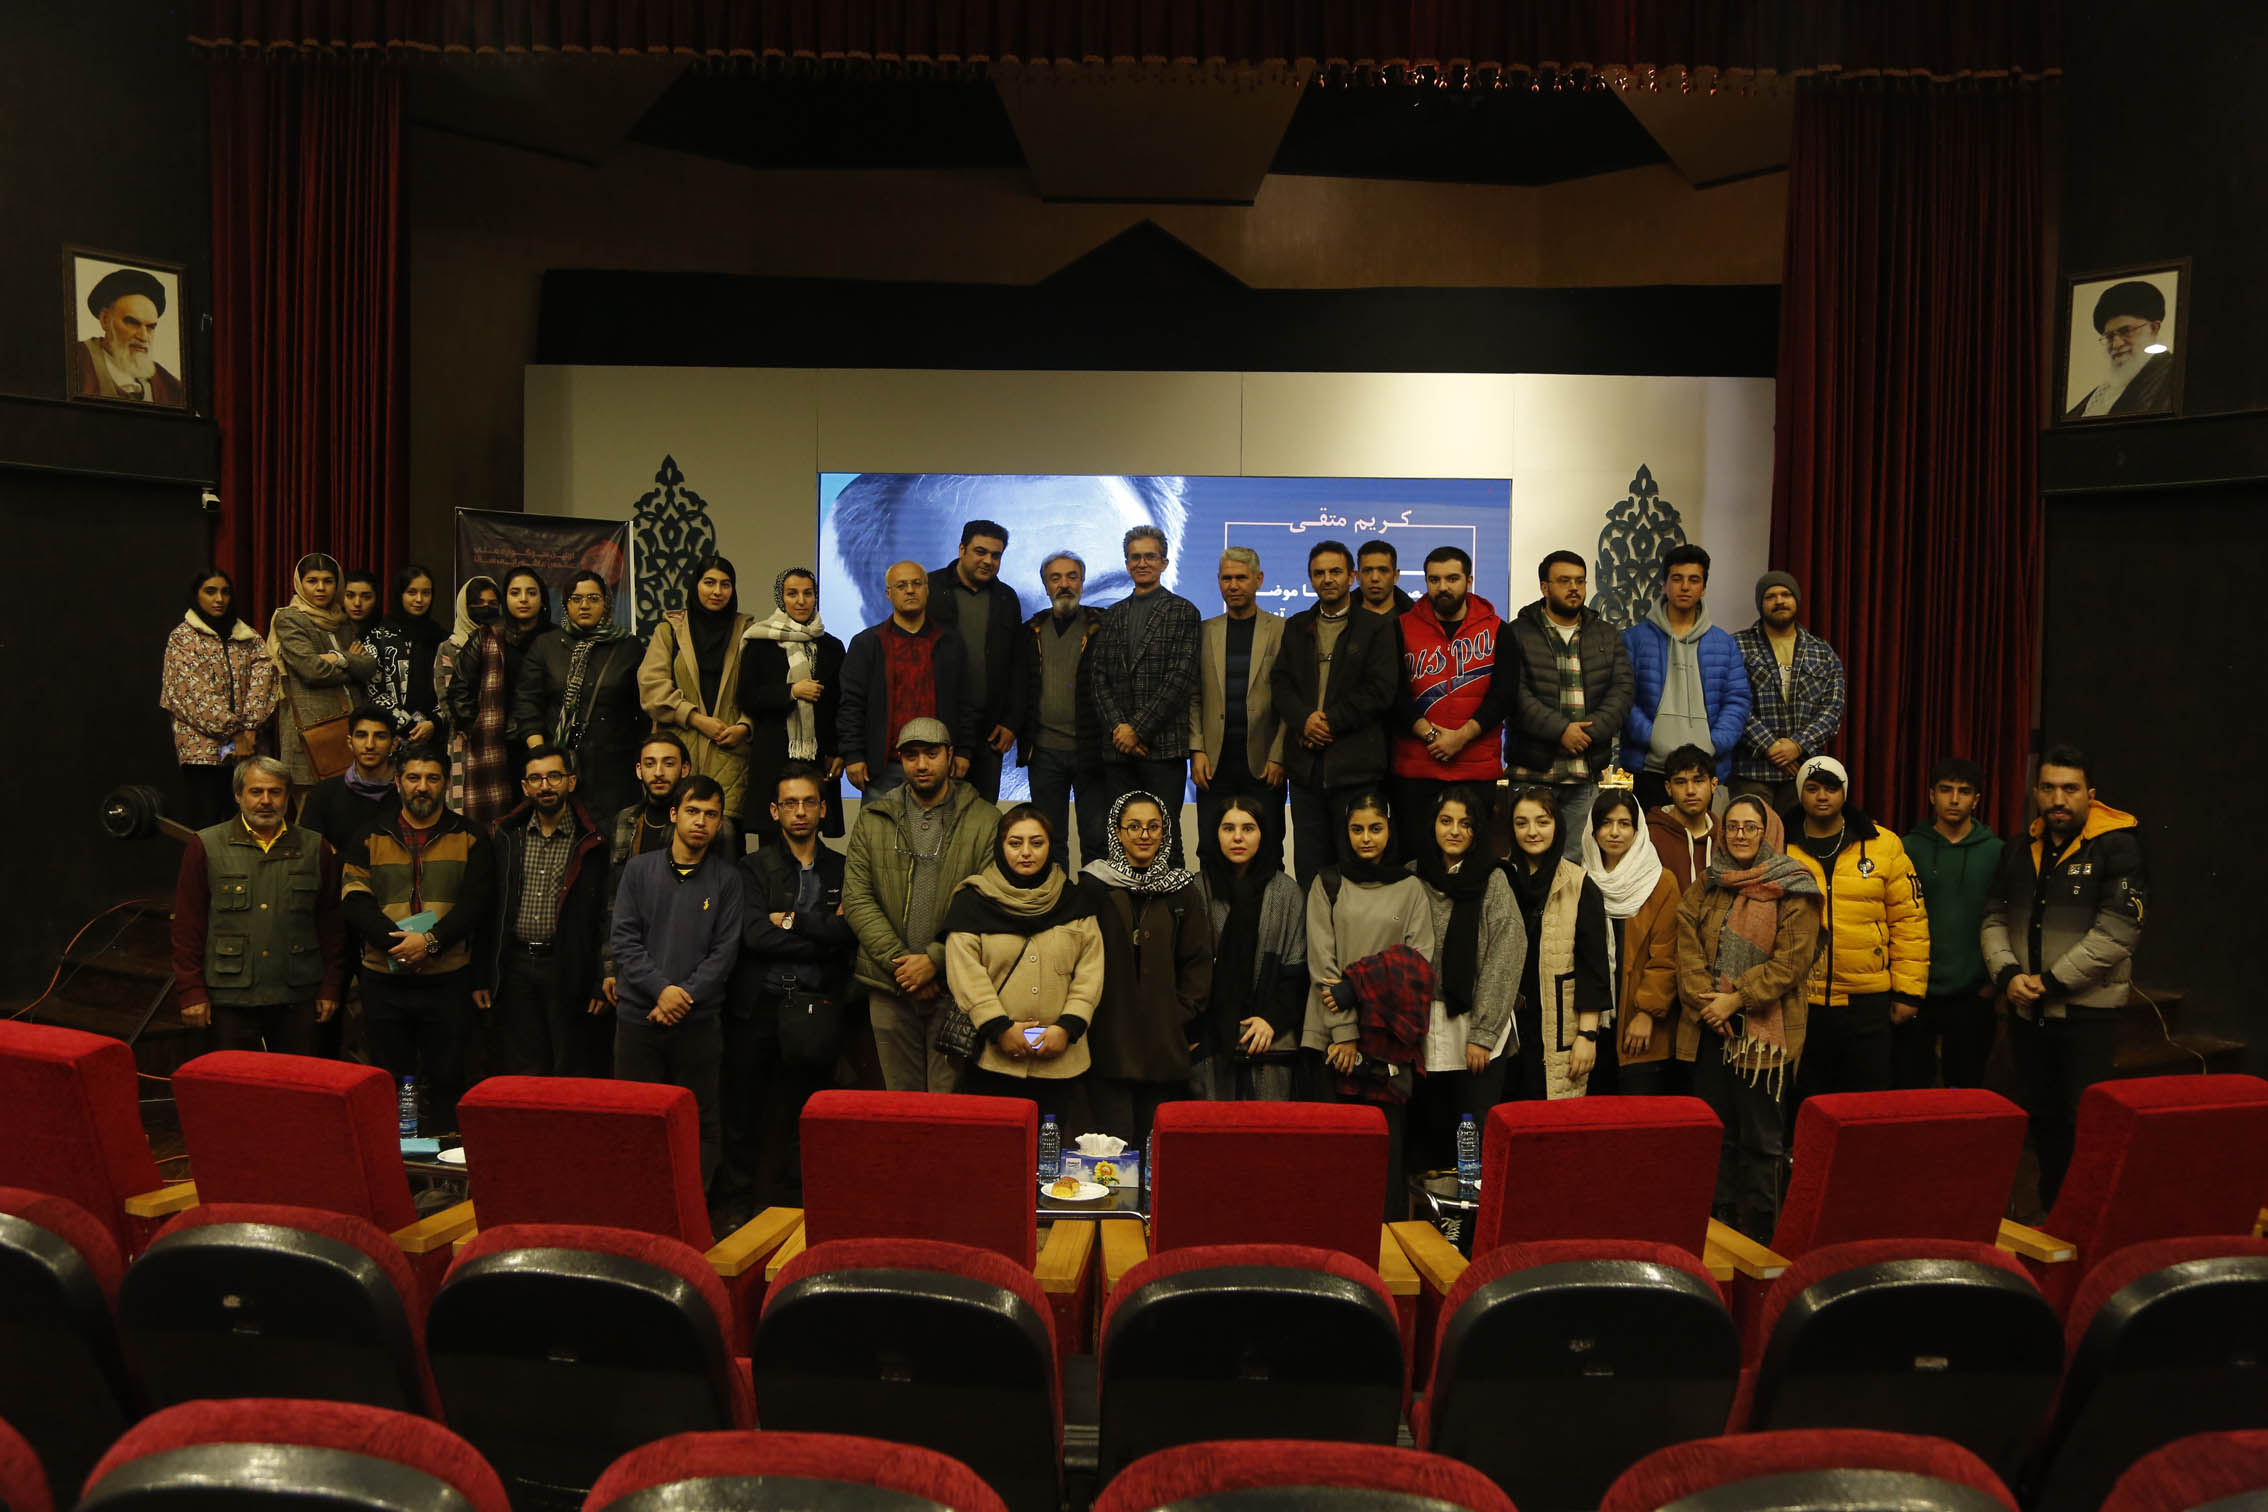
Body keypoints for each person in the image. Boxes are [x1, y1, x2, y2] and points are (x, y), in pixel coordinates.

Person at [1983, 744, 2146, 1208]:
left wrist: (2049, 982)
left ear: (2090, 794)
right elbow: (1994, 918)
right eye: (2049, 788)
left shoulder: (2119, 846)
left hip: (2087, 1015)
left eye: (2070, 789)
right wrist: (2009, 975)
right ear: (2036, 792)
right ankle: (2052, 1218)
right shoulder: (2018, 849)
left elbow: (2117, 933)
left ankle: (2086, 1221)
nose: (2058, 799)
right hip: (2027, 1011)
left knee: (2086, 1124)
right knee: (2043, 1122)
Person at [1675, 792, 1824, 1241]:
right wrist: (1710, 1005)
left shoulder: (1795, 885)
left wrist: (1735, 999)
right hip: (1709, 1030)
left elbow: (1791, 963)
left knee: (1762, 1145)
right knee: (1714, 1139)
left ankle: (1762, 1244)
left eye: (1751, 827)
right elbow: (1686, 942)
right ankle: (1718, 1238)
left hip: (1765, 1035)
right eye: (1733, 827)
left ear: (1768, 831)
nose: (1740, 835)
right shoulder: (1709, 882)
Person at [719, 763, 857, 1224]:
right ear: (775, 811)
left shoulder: (842, 868)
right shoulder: (752, 866)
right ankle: (738, 1207)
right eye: (790, 803)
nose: (800, 811)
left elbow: (848, 935)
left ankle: (801, 1211)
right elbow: (755, 935)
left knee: (809, 1115)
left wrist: (793, 921)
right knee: (745, 1113)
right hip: (759, 1003)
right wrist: (822, 935)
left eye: (809, 802)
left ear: (823, 809)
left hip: (817, 1007)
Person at [339, 744, 495, 1135]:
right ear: (398, 782)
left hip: (447, 979)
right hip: (384, 979)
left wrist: (430, 943)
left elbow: (475, 904)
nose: (422, 786)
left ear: (445, 783)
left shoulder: (471, 837)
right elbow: (354, 900)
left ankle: (445, 1157)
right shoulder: (368, 836)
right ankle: (400, 1155)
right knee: (393, 1080)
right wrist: (398, 944)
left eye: (432, 778)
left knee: (448, 1076)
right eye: (413, 778)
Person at [842, 718, 1000, 1092]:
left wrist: (935, 961)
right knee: (901, 1106)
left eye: (931, 754)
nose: (922, 764)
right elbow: (857, 898)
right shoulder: (873, 818)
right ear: (900, 759)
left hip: (956, 987)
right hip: (889, 985)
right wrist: (904, 966)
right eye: (912, 755)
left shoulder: (986, 820)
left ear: (950, 755)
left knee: (948, 1109)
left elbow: (990, 902)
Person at [1302, 790, 1434, 1207]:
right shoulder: (1327, 883)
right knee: (1333, 1161)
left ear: (1389, 831)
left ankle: (1388, 1243)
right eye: (1357, 829)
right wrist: (1345, 1033)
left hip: (1388, 1042)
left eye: (1375, 829)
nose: (1366, 838)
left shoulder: (1411, 888)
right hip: (1330, 1041)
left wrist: (1358, 989)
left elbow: (1417, 965)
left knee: (1385, 1161)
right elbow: (1322, 965)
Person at [610, 774, 743, 1186]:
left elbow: (724, 953)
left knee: (700, 1123)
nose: (700, 821)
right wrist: (662, 991)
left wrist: (681, 996)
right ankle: (639, 1208)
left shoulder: (728, 880)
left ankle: (693, 1210)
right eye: (692, 811)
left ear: (719, 823)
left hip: (697, 1022)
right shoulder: (638, 870)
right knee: (634, 1121)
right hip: (639, 1019)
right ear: (674, 814)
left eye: (711, 814)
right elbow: (624, 940)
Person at [169, 756, 346, 1053]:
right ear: (238, 795)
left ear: (287, 797)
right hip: (228, 997)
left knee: (296, 1078)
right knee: (233, 1080)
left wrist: (330, 987)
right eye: (256, 792)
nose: (266, 801)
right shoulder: (206, 846)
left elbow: (331, 923)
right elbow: (188, 925)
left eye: (275, 792)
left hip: (298, 995)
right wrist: (191, 992)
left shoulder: (315, 847)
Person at [943, 805, 1105, 1127]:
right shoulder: (973, 902)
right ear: (1000, 846)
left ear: (1050, 846)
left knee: (1050, 1152)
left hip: (1061, 1059)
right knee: (995, 1149)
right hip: (993, 1060)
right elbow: (965, 974)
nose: (1026, 852)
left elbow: (1090, 971)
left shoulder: (1074, 901)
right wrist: (998, 1028)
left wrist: (1067, 1027)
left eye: (1037, 842)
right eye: (1015, 843)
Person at [1783, 756, 1929, 1099]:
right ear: (1799, 793)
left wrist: (1908, 993)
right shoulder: (1779, 845)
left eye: (1831, 788)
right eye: (1813, 788)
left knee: (1866, 1103)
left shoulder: (1884, 845)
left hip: (1867, 1001)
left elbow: (1909, 920)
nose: (1822, 796)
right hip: (1800, 999)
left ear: (1844, 792)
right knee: (1806, 1103)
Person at [1080, 790, 1211, 1151]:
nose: (1144, 835)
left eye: (1153, 827)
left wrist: (1178, 1015)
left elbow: (1197, 962)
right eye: (1134, 826)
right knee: (1111, 1159)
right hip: (1108, 1043)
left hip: (1164, 1048)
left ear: (1165, 833)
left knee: (1160, 1155)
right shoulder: (1093, 886)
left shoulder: (1182, 890)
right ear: (1117, 832)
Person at [1407, 786, 1523, 1171]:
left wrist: (1483, 1034)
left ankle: (1473, 1207)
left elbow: (1506, 954)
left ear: (1477, 831)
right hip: (1423, 1027)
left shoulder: (1493, 880)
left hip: (1476, 1026)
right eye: (1446, 821)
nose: (1455, 831)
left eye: (1466, 823)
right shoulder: (1411, 877)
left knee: (1473, 1140)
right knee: (1428, 1136)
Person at [1272, 541, 1399, 888]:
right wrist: (1304, 720)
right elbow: (1280, 683)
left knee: (1357, 868)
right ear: (1311, 579)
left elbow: (1381, 690)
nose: (1327, 579)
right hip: (1305, 772)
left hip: (1355, 770)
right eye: (1319, 573)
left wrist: (1328, 722)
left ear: (1351, 577)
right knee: (1310, 871)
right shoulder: (1297, 626)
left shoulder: (1376, 627)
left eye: (1335, 572)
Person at [484, 745, 610, 1078]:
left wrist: (601, 979)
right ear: (525, 787)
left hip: (567, 965)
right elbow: (490, 908)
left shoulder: (593, 839)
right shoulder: (507, 836)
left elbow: (605, 916)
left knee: (571, 1067)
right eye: (536, 779)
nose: (545, 786)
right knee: (523, 1069)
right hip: (517, 967)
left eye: (554, 776)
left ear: (571, 781)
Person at [1506, 551, 1635, 860]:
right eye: (1564, 581)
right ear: (1544, 587)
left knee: (1575, 863)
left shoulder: (1606, 634)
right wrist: (1561, 730)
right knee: (1526, 860)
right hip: (1531, 772)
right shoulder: (1516, 633)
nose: (1574, 588)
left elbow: (1622, 691)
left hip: (1583, 772)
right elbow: (1514, 695)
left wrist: (1585, 734)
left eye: (1580, 581)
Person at [1090, 526, 1203, 867]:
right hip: (1118, 751)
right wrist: (1120, 730)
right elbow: (1098, 678)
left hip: (1163, 749)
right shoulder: (1111, 615)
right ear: (1127, 563)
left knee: (1166, 839)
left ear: (1164, 562)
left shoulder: (1183, 611)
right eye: (1135, 557)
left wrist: (1137, 730)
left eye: (1150, 556)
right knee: (1120, 842)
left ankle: (1174, 900)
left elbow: (1179, 679)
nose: (1142, 563)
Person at [601, 732, 737, 1008]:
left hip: (692, 978)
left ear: (685, 768)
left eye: (669, 763)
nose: (659, 772)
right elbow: (614, 900)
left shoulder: (709, 825)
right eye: (650, 763)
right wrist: (609, 965)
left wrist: (681, 994)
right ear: (639, 770)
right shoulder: (626, 820)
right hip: (634, 968)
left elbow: (723, 907)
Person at [1188, 796, 1307, 1102]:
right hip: (1209, 1044)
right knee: (1212, 1129)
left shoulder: (1287, 893)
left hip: (1269, 1042)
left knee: (1267, 1131)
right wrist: (1195, 1032)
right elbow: (1187, 971)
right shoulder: (1196, 891)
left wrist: (1271, 1020)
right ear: (1215, 834)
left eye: (1248, 828)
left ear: (1263, 834)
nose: (1238, 837)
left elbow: (1296, 973)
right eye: (1228, 828)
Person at [1897, 758, 2006, 1090]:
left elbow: (2007, 920)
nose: (1954, 799)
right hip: (1916, 991)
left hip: (1973, 993)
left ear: (1977, 799)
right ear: (1932, 795)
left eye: (1964, 791)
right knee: (1912, 1086)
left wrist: (1991, 985)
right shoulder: (1906, 848)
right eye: (1946, 790)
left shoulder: (1997, 852)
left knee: (1966, 1088)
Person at [1500, 787, 1611, 1100]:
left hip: (1556, 1026)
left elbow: (1593, 969)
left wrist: (1587, 1035)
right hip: (1506, 1026)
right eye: (1521, 823)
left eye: (1542, 821)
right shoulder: (1499, 878)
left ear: (1557, 826)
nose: (1532, 831)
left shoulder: (1579, 884)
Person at [1620, 545, 1751, 809]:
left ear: (1703, 588)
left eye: (1694, 580)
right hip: (1650, 768)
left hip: (1704, 769)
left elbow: (1737, 700)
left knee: (1702, 836)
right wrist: (1652, 737)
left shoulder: (1723, 643)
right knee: (1651, 835)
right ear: (1664, 585)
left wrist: (1714, 743)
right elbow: (1622, 697)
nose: (1685, 587)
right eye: (1677, 579)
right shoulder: (1635, 639)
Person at [513, 571, 643, 825]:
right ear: (566, 604)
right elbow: (527, 703)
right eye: (576, 599)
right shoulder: (546, 646)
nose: (584, 605)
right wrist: (542, 756)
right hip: (558, 770)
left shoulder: (628, 647)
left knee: (610, 836)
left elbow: (643, 709)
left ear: (606, 603)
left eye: (593, 598)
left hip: (614, 768)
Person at [1392, 546, 1508, 829]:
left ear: (1469, 580)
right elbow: (1392, 693)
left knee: (1472, 850)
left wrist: (1461, 737)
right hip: (1417, 769)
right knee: (1415, 852)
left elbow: (1504, 696)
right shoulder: (1401, 627)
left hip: (1476, 769)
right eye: (1434, 579)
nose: (1443, 587)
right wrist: (1431, 735)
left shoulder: (1498, 630)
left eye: (1452, 578)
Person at [837, 560, 975, 797]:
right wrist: (853, 755)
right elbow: (851, 704)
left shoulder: (950, 643)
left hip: (939, 765)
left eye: (916, 583)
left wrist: (964, 751)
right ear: (888, 594)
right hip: (883, 767)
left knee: (940, 823)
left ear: (927, 590)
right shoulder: (867, 644)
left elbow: (966, 701)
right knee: (880, 823)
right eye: (901, 585)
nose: (910, 590)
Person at [1583, 784, 1684, 1096]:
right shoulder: (1578, 879)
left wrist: (1647, 1013)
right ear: (1592, 829)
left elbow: (1667, 957)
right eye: (1606, 823)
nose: (1614, 832)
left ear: (1637, 830)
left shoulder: (1661, 881)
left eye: (1624, 824)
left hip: (1642, 1024)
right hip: (1589, 1025)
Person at [161, 567, 279, 829]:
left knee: (251, 822)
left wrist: (250, 729)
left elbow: (264, 679)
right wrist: (234, 732)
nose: (219, 599)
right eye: (210, 592)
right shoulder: (183, 638)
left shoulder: (248, 637)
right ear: (196, 596)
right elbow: (192, 694)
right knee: (207, 825)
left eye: (225, 592)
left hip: (249, 747)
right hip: (203, 751)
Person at [1190, 547, 1287, 866]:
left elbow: (1291, 700)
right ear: (1218, 581)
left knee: (1268, 851)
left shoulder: (1282, 630)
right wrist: (1197, 749)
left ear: (1259, 580)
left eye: (1241, 578)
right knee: (1210, 850)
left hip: (1264, 764)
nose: (1233, 585)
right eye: (1227, 578)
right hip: (1214, 764)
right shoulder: (1205, 631)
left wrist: (1279, 754)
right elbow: (1193, 695)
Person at [641, 554, 755, 822]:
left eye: (725, 584)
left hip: (730, 759)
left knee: (724, 838)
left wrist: (745, 726)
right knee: (676, 836)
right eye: (709, 582)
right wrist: (695, 718)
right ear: (695, 585)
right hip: (678, 758)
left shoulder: (748, 633)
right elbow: (651, 689)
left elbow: (760, 690)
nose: (717, 591)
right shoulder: (669, 631)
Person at [738, 568, 846, 846]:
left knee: (811, 839)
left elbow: (839, 704)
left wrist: (838, 751)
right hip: (773, 754)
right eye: (792, 593)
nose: (801, 601)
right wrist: (790, 692)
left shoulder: (832, 647)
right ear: (780, 597)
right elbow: (746, 697)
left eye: (808, 593)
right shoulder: (761, 642)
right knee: (772, 843)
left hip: (816, 757)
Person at [1015, 550, 1108, 867]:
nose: (1064, 584)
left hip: (1091, 751)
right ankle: (1056, 898)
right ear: (1046, 586)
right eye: (1056, 578)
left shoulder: (1103, 627)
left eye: (1072, 577)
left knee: (1096, 840)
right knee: (1049, 841)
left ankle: (1094, 898)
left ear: (1082, 582)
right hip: (1044, 752)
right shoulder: (1031, 631)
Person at [1730, 571, 1845, 815]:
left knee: (1798, 836)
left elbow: (1832, 710)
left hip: (1803, 772)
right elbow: (1731, 703)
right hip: (1751, 770)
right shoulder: (1736, 646)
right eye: (1770, 596)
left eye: (1786, 594)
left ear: (1797, 600)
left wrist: (1797, 745)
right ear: (1760, 603)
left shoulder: (1822, 651)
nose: (1779, 601)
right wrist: (1769, 745)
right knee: (1751, 834)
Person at [926, 520, 1026, 802]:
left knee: (982, 816)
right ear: (962, 549)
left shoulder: (1006, 598)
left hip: (989, 732)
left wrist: (1011, 722)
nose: (988, 561)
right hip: (936, 727)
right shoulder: (930, 589)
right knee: (934, 814)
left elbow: (1018, 665)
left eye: (996, 555)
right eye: (980, 552)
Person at [445, 567, 549, 829]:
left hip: (545, 742)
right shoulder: (486, 636)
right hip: (497, 745)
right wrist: (478, 729)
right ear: (506, 599)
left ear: (542, 599)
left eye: (531, 593)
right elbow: (458, 690)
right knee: (499, 825)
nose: (523, 599)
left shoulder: (557, 639)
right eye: (515, 593)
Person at [269, 553, 376, 798]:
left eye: (328, 581)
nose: (320, 588)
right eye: (312, 581)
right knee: (310, 816)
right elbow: (312, 671)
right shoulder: (290, 618)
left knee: (347, 813)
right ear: (300, 583)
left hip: (347, 732)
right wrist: (351, 666)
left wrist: (338, 658)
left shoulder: (342, 619)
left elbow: (369, 666)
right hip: (311, 734)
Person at [432, 575, 503, 821]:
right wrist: (471, 727)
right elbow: (446, 699)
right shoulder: (449, 648)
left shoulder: (504, 641)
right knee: (464, 812)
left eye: (492, 603)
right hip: (464, 739)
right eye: (478, 603)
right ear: (465, 606)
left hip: (499, 738)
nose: (486, 608)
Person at [2066, 280, 2178, 420]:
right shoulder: (2107, 388)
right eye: (2109, 336)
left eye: (2126, 331)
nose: (2116, 344)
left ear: (2153, 328)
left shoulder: (2173, 376)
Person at [72, 266, 184, 404]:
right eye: (132, 323)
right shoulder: (75, 360)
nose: (143, 337)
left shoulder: (170, 387)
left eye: (150, 327)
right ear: (105, 320)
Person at [364, 564, 445, 748]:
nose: (419, 599)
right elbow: (372, 688)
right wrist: (407, 725)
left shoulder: (441, 638)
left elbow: (450, 688)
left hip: (432, 737)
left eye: (426, 593)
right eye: (411, 592)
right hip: (389, 737)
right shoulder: (379, 636)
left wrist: (434, 723)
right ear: (399, 594)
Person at [298, 708, 400, 845]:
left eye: (380, 736)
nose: (370, 745)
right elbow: (308, 849)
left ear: (393, 744)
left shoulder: (408, 792)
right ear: (350, 743)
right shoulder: (323, 794)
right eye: (361, 736)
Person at [1648, 744, 1723, 888]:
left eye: (1698, 781)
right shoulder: (1650, 836)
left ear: (1713, 785)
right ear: (1668, 788)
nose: (1690, 791)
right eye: (1681, 782)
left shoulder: (1725, 838)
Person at [1355, 539, 1415, 616]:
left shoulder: (1416, 618)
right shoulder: (1342, 616)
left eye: (1383, 570)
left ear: (1395, 576)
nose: (1375, 578)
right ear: (1357, 576)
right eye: (1367, 570)